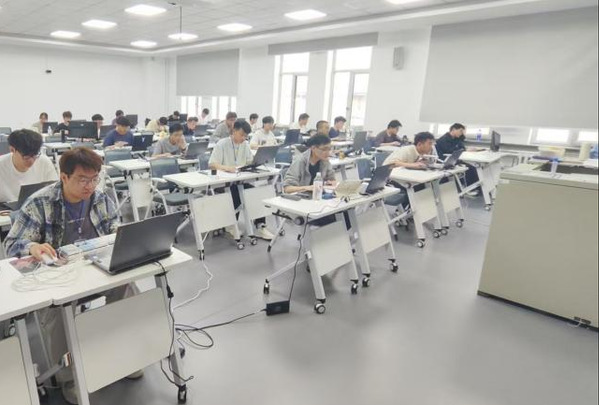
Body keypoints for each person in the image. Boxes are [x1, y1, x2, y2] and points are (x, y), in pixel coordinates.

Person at [3, 147, 141, 404]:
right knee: (55, 310)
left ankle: (125, 353)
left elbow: (115, 227)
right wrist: (33, 247)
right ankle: (69, 377)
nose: (90, 186)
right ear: (64, 176)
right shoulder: (40, 202)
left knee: (127, 287)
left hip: (94, 269)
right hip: (56, 277)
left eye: (94, 178)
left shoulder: (100, 198)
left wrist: (121, 236)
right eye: (82, 179)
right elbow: (12, 244)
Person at [209, 120, 275, 240]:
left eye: (246, 136)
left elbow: (249, 161)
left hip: (239, 180)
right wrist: (227, 168)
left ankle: (260, 226)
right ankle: (230, 225)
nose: (244, 138)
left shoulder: (244, 145)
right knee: (236, 193)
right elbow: (212, 164)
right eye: (242, 135)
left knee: (257, 194)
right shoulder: (222, 144)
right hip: (223, 183)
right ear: (234, 131)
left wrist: (257, 162)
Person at [0, 129, 58, 204]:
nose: (31, 161)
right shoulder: (2, 165)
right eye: (26, 157)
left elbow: (54, 191)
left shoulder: (44, 162)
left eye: (34, 156)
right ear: (12, 150)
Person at [436, 123, 479, 194]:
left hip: (454, 159)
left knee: (473, 167)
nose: (461, 133)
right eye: (460, 131)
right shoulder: (443, 139)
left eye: (462, 132)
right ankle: (469, 189)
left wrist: (462, 137)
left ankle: (472, 187)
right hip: (446, 160)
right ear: (453, 129)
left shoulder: (456, 139)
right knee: (470, 168)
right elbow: (450, 151)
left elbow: (461, 147)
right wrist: (464, 150)